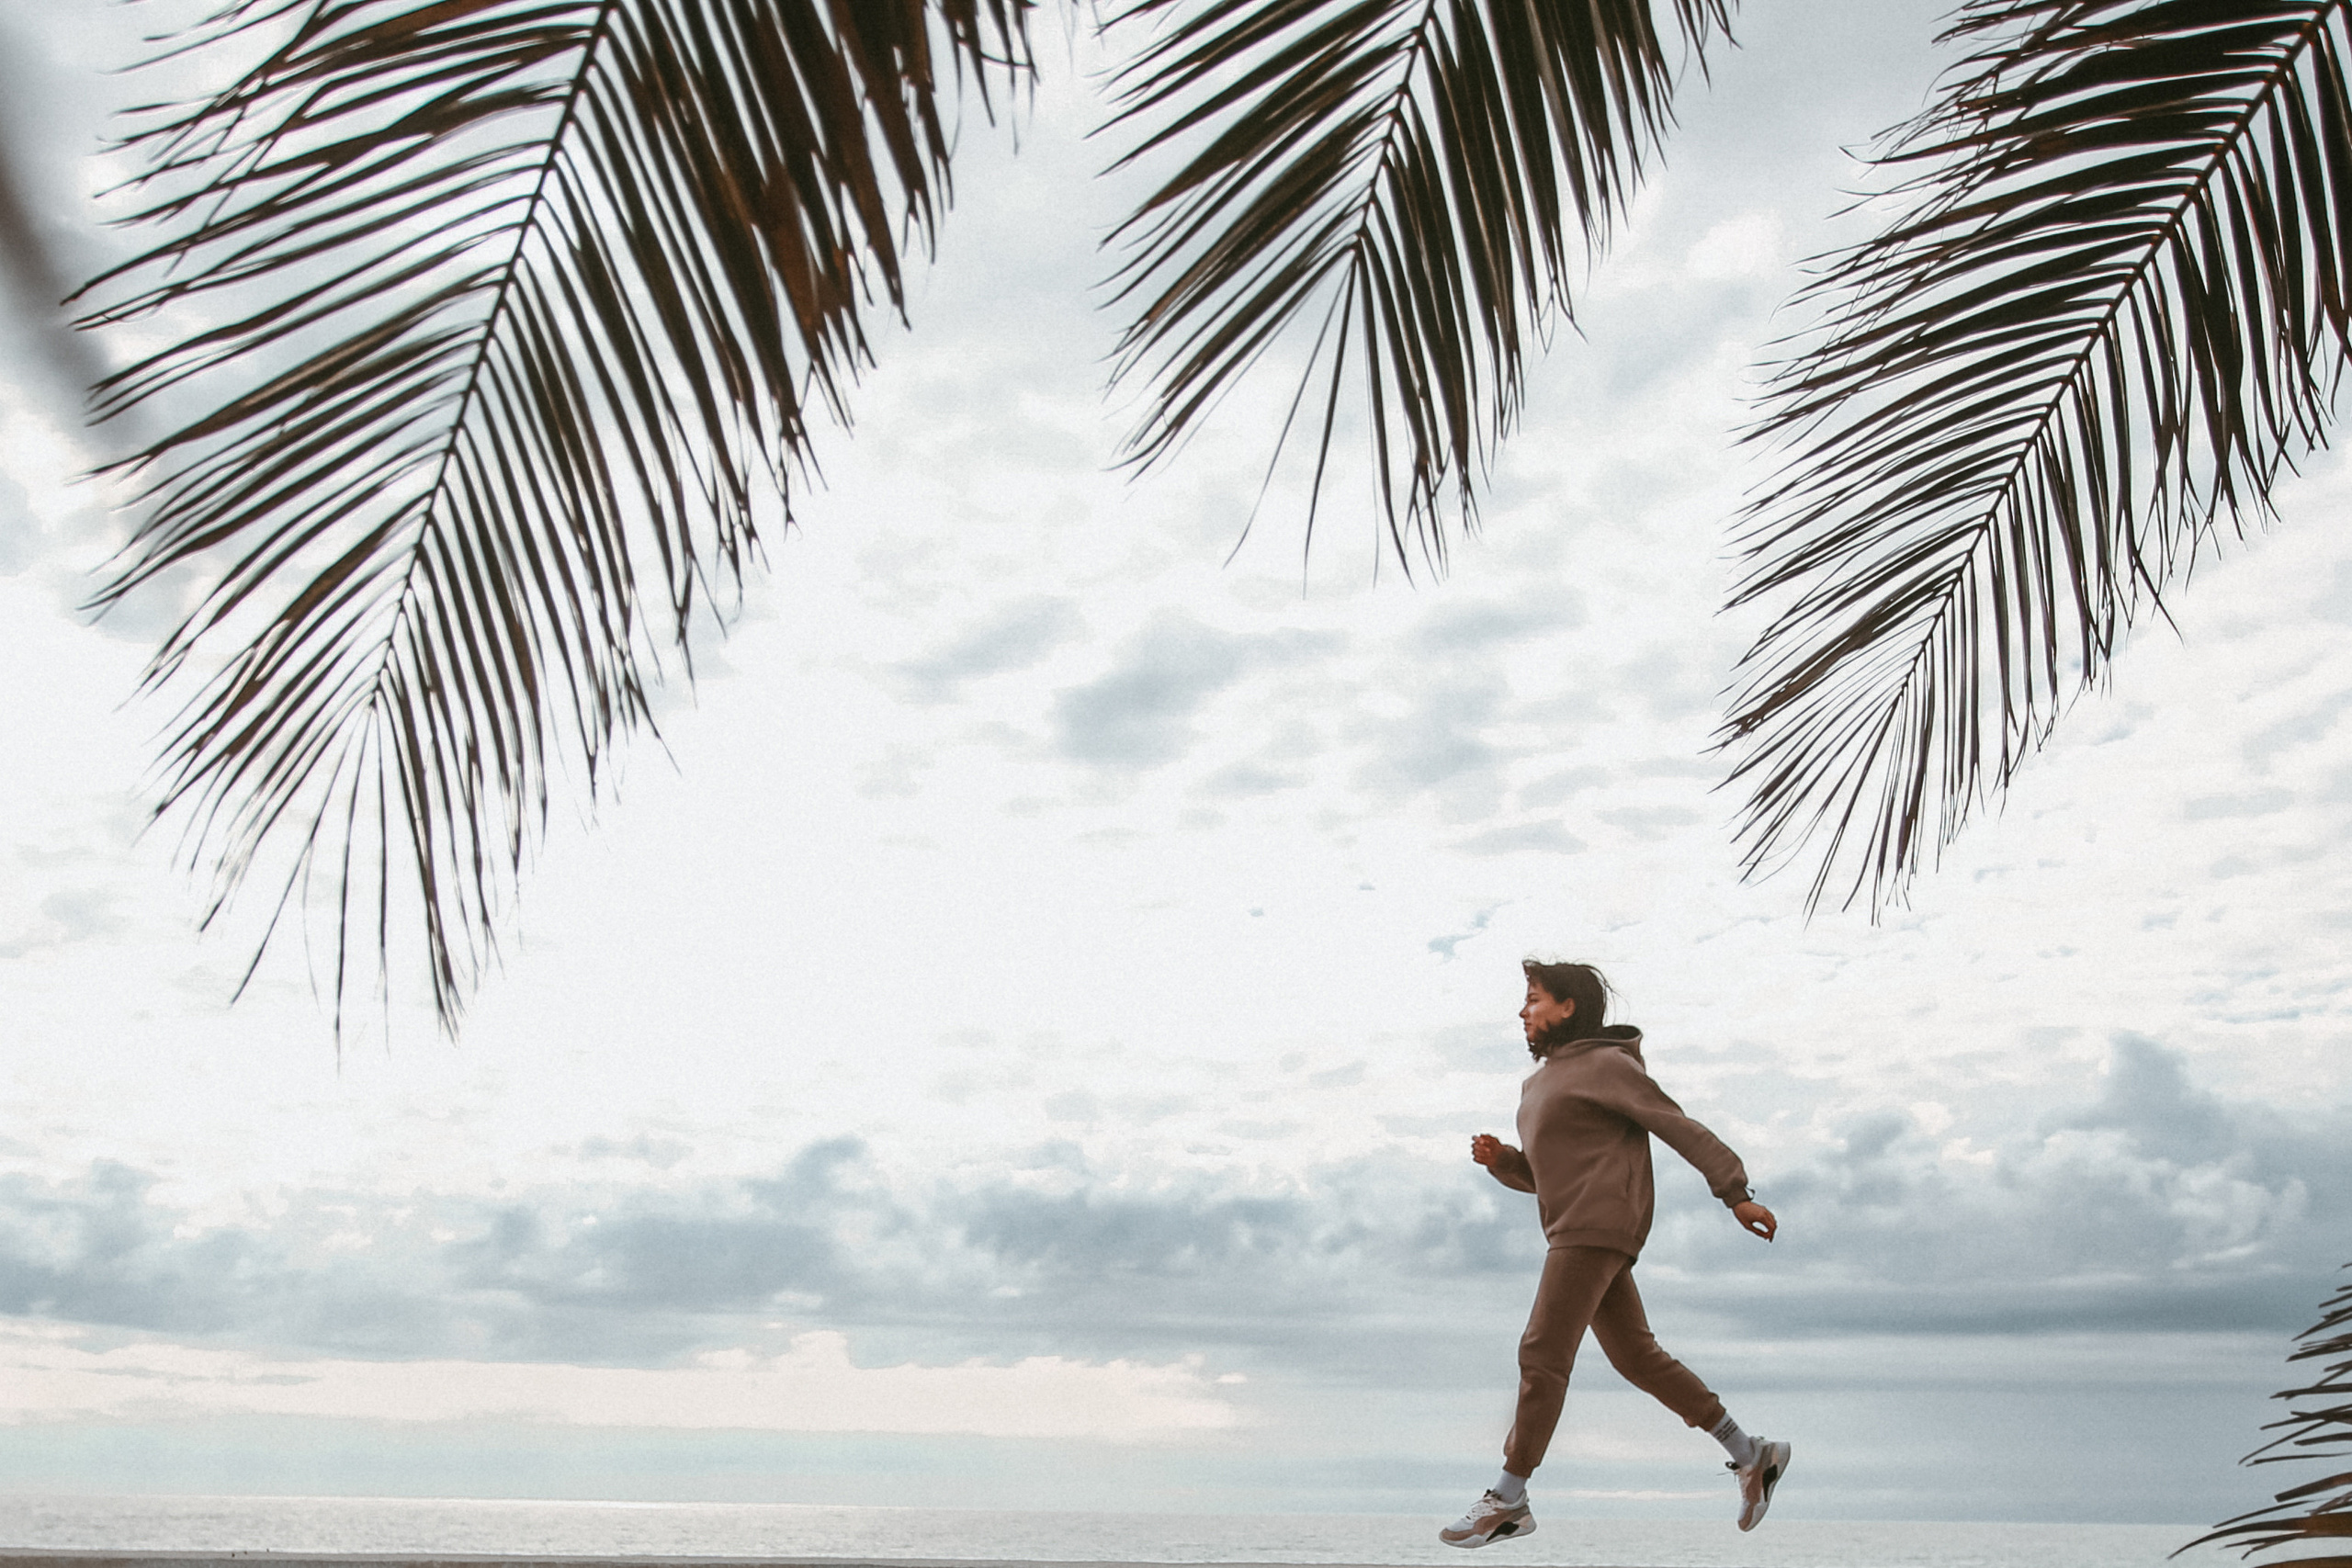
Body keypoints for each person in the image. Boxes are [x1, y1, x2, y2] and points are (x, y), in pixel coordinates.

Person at [1439, 959, 1787, 1549]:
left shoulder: (1605, 1065)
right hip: (1574, 1225)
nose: (1523, 1012)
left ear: (1568, 1007)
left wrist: (1735, 1194)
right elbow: (1548, 1178)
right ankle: (1751, 1452)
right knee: (1637, 1358)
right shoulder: (1537, 1085)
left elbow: (1674, 1124)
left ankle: (1509, 1497)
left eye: (1534, 999)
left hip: (1595, 1227)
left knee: (1542, 1352)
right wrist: (1505, 1164)